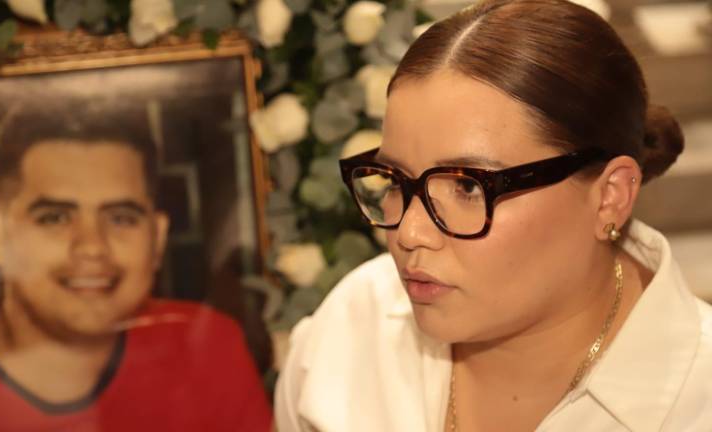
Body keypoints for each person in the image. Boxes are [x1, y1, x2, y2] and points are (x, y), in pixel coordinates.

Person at [275, 0, 712, 430]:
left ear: (610, 197)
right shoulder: (351, 330)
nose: (409, 232)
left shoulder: (697, 401)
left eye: (467, 186)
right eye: (394, 178)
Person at [0, 103, 272, 431]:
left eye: (120, 218)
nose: (92, 247)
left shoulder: (207, 348)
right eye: (54, 218)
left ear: (157, 239)